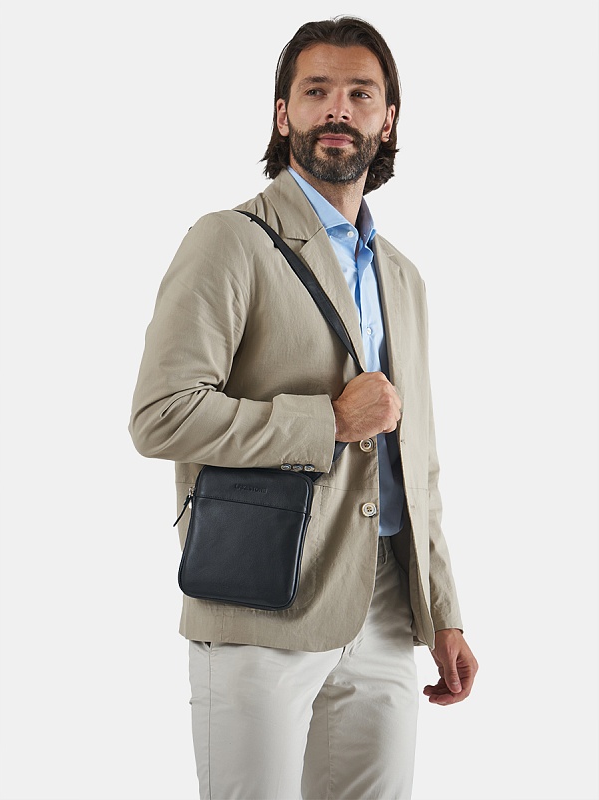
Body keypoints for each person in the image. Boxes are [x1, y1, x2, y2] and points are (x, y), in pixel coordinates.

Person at [129, 15, 478, 800]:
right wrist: (329, 422)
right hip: (260, 598)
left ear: (389, 121)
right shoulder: (229, 241)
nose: (338, 109)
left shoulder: (402, 276)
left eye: (361, 94)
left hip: (385, 609)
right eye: (316, 91)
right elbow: (161, 414)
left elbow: (417, 462)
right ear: (283, 113)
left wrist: (443, 611)